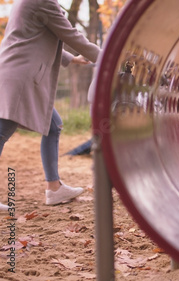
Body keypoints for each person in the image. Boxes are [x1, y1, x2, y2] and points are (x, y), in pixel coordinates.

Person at [0, 0, 101, 210]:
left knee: (53, 126)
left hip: (14, 72)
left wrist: (71, 59)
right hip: (20, 77)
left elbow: (32, 35)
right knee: (1, 133)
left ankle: (54, 188)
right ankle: (54, 188)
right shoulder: (43, 1)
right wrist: (109, 57)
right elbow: (70, 34)